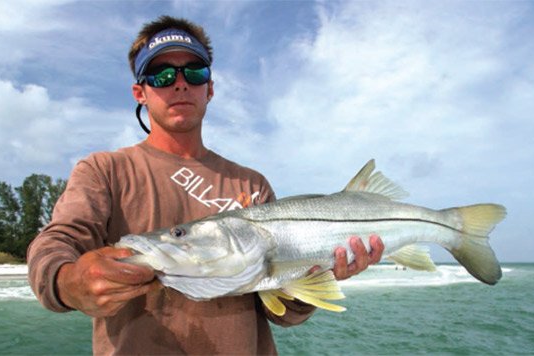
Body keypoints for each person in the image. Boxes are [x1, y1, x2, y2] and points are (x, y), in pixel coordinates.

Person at [27, 15, 384, 355]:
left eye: (193, 72)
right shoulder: (105, 169)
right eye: (161, 73)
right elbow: (57, 242)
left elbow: (281, 312)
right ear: (140, 91)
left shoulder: (252, 182)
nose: (180, 82)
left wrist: (323, 271)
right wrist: (68, 281)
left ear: (209, 89)